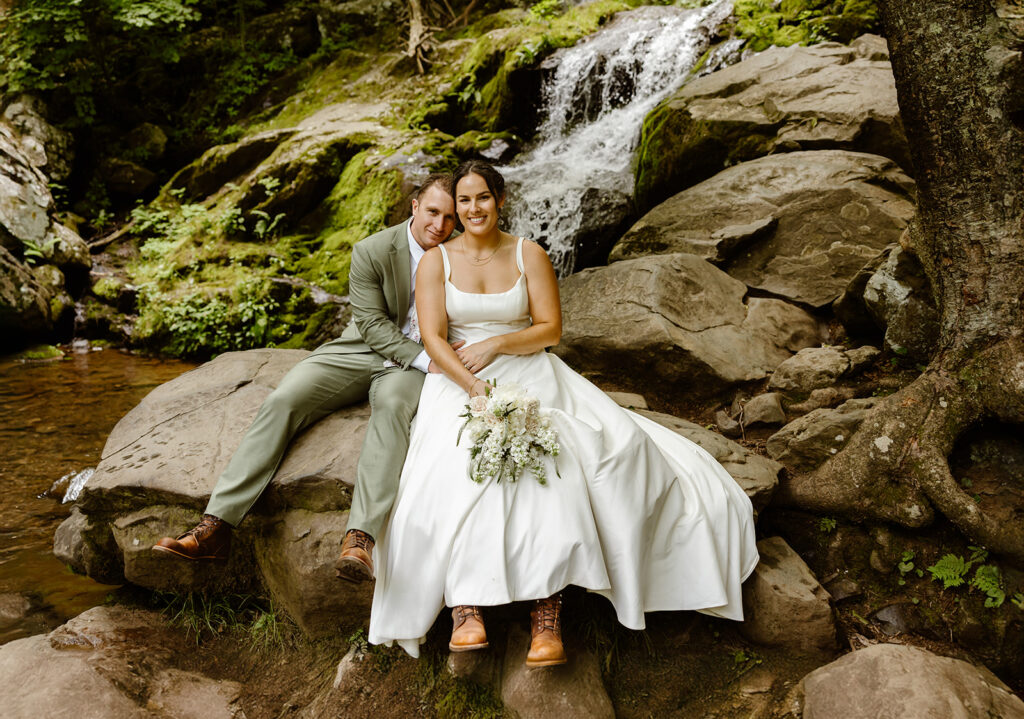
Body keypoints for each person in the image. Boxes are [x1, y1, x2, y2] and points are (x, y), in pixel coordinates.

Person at [367, 160, 760, 667]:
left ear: (500, 199)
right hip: (460, 382)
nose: (472, 210)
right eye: (463, 202)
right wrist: (474, 388)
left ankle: (545, 613)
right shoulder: (434, 261)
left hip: (531, 371)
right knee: (448, 468)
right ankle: (466, 607)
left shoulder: (528, 253)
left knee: (559, 467)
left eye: (481, 198)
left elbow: (550, 330)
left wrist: (499, 344)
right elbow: (436, 339)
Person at [152, 173, 459, 584]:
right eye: (433, 212)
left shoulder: (464, 252)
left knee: (391, 408)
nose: (439, 225)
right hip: (366, 348)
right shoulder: (373, 250)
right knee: (285, 399)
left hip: (417, 364)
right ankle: (216, 527)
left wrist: (433, 360)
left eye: (450, 217)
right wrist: (424, 359)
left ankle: (359, 539)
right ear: (415, 206)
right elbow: (369, 322)